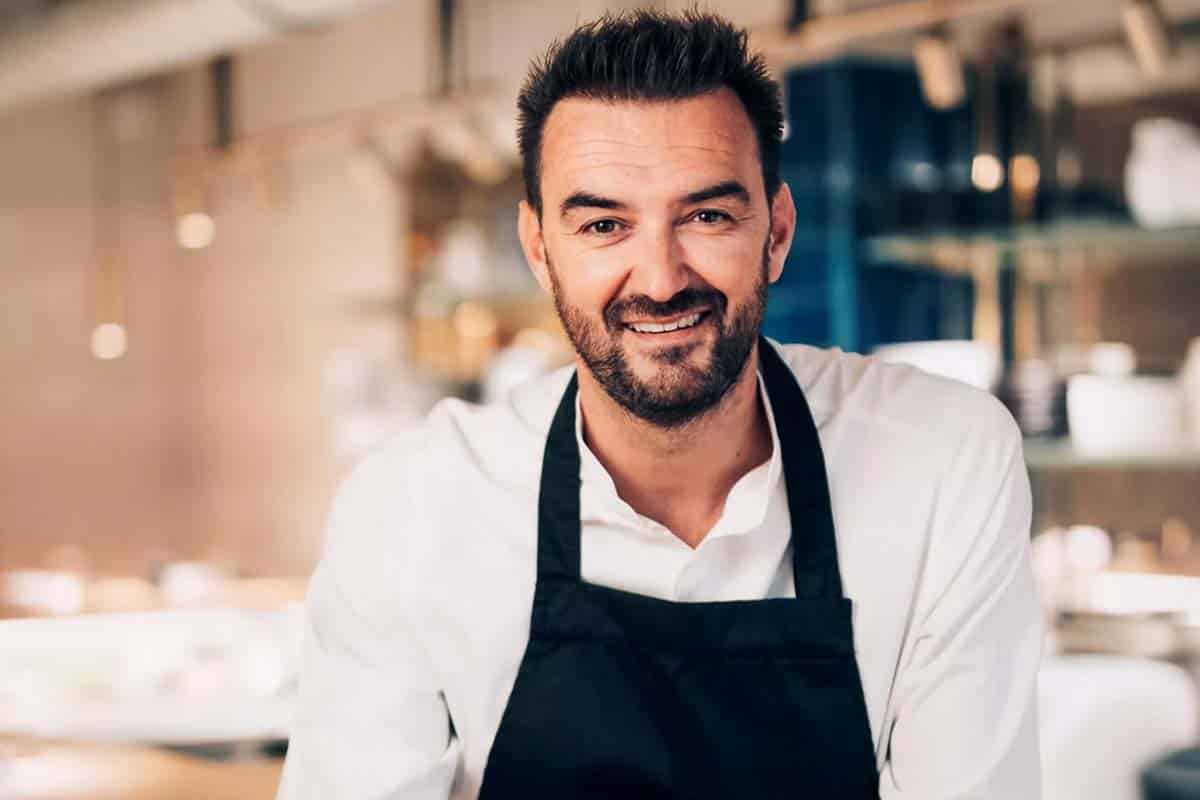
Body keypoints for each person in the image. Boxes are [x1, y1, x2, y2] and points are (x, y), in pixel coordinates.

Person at [277, 9, 1042, 799]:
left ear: (776, 231)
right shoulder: (411, 509)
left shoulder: (944, 462)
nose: (660, 277)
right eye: (605, 224)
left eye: (706, 216)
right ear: (540, 250)